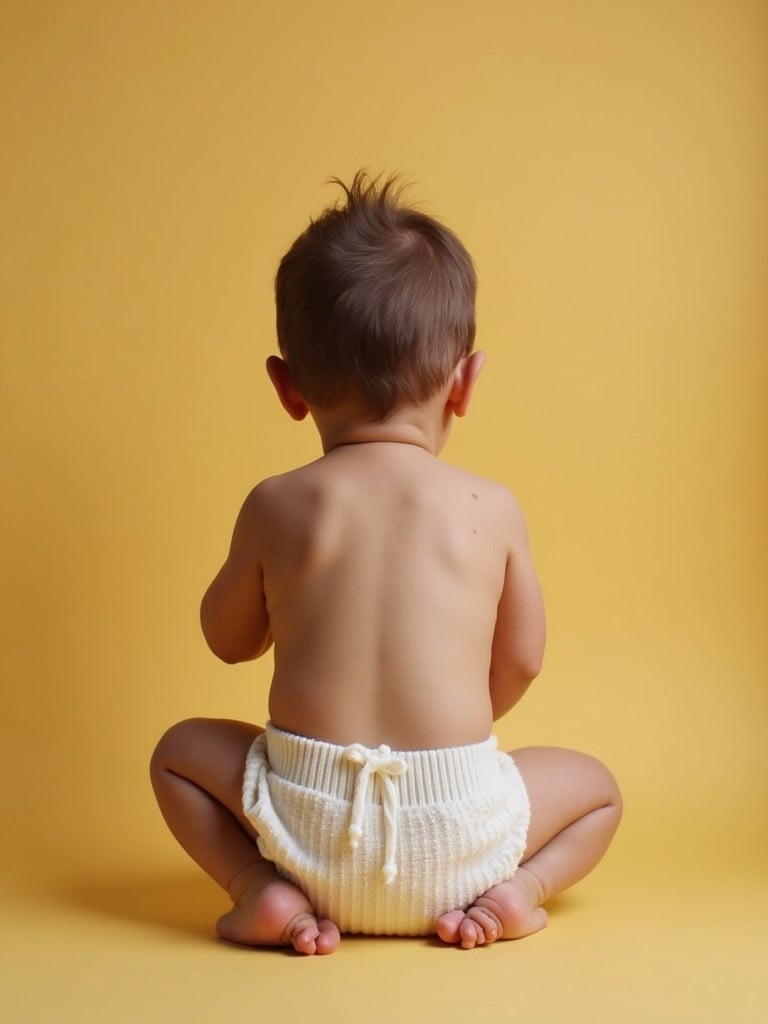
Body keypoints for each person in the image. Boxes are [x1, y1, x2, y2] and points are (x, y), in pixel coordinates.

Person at [150, 171, 622, 956]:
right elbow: (523, 659)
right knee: (597, 790)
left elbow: (227, 641)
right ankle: (514, 895)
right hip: (458, 836)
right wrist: (447, 733)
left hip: (302, 835)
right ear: (465, 384)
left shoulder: (278, 503)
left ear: (287, 386)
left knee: (179, 754)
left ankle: (263, 896)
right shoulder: (492, 508)